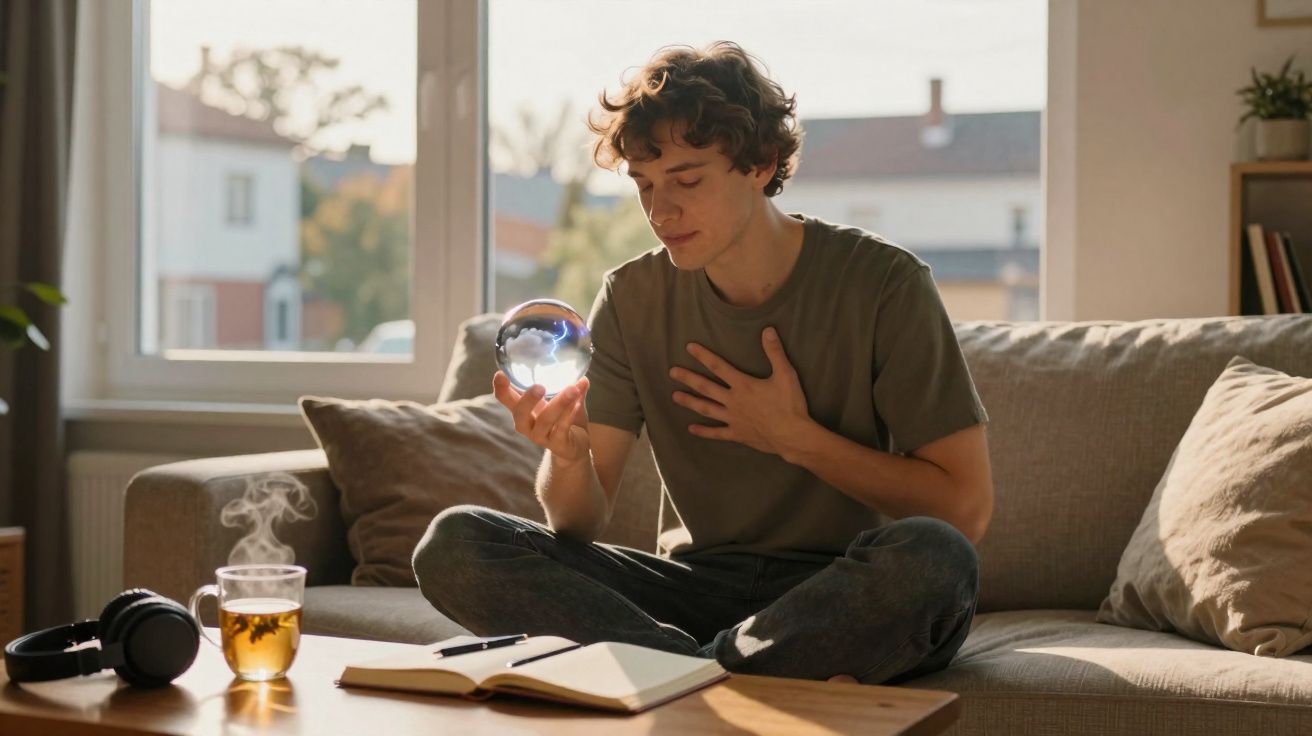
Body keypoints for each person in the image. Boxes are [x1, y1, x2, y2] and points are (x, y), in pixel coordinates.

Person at [413, 40, 993, 685]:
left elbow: (963, 510)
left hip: (840, 592)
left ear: (760, 163)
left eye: (687, 180)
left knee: (936, 559)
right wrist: (569, 459)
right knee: (457, 543)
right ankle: (715, 676)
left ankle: (674, 678)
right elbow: (577, 523)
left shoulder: (883, 282)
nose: (661, 212)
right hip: (694, 591)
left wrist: (796, 438)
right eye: (644, 186)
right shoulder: (633, 297)